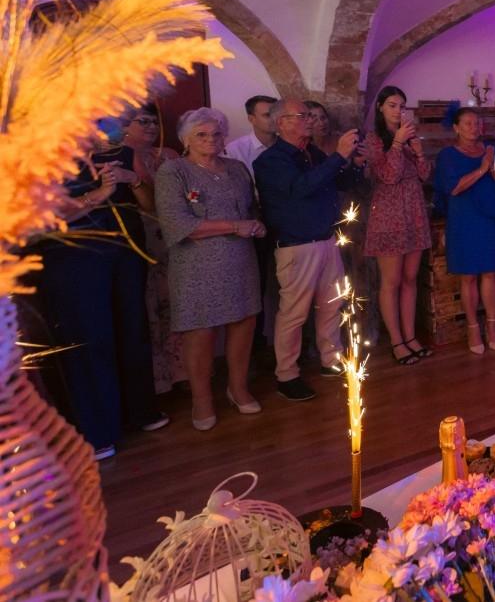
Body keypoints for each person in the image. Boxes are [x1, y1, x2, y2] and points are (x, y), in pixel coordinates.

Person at [31, 118, 168, 459]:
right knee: (90, 340)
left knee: (131, 332)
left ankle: (139, 412)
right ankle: (97, 432)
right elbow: (40, 218)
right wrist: (97, 196)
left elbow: (149, 203)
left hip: (123, 252)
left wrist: (130, 180)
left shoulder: (117, 154)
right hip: (74, 259)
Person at [154, 109, 264, 430]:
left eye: (216, 133)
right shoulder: (173, 171)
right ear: (185, 139)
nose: (211, 140)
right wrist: (235, 226)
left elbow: (251, 209)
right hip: (196, 265)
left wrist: (256, 224)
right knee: (200, 332)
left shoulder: (237, 168)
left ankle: (238, 388)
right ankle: (201, 400)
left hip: (240, 260)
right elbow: (177, 223)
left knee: (244, 323)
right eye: (201, 134)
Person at [254, 99, 363, 401]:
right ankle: (287, 375)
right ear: (281, 123)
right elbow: (300, 188)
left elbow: (340, 182)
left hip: (327, 239)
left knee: (332, 306)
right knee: (294, 314)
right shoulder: (271, 161)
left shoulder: (312, 153)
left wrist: (354, 162)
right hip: (296, 245)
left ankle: (331, 359)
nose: (310, 120)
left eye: (310, 116)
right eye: (302, 116)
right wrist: (338, 156)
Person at [364, 86, 433, 365]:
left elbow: (424, 176)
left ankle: (411, 336)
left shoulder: (410, 138)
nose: (398, 111)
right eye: (392, 105)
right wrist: (396, 144)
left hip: (413, 213)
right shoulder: (373, 140)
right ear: (380, 107)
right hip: (389, 217)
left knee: (410, 279)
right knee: (391, 282)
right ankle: (396, 341)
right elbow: (388, 176)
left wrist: (419, 153)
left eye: (402, 106)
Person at [433, 106, 495, 354]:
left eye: (477, 123)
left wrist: (494, 168)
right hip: (463, 219)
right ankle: (473, 327)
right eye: (468, 123)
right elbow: (453, 188)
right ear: (456, 128)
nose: (474, 127)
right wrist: (482, 168)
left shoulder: (490, 150)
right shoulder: (448, 155)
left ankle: (492, 325)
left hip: (488, 217)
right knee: (468, 276)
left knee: (490, 272)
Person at [122, 104, 183, 394]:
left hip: (173, 235)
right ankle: (156, 380)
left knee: (176, 302)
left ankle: (181, 373)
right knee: (148, 307)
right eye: (142, 121)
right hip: (141, 236)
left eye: (154, 122)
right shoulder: (120, 156)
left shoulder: (169, 154)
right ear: (126, 125)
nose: (151, 127)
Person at [225, 95, 278, 171]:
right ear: (251, 119)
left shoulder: (290, 144)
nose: (275, 119)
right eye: (267, 115)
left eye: (276, 114)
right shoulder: (234, 150)